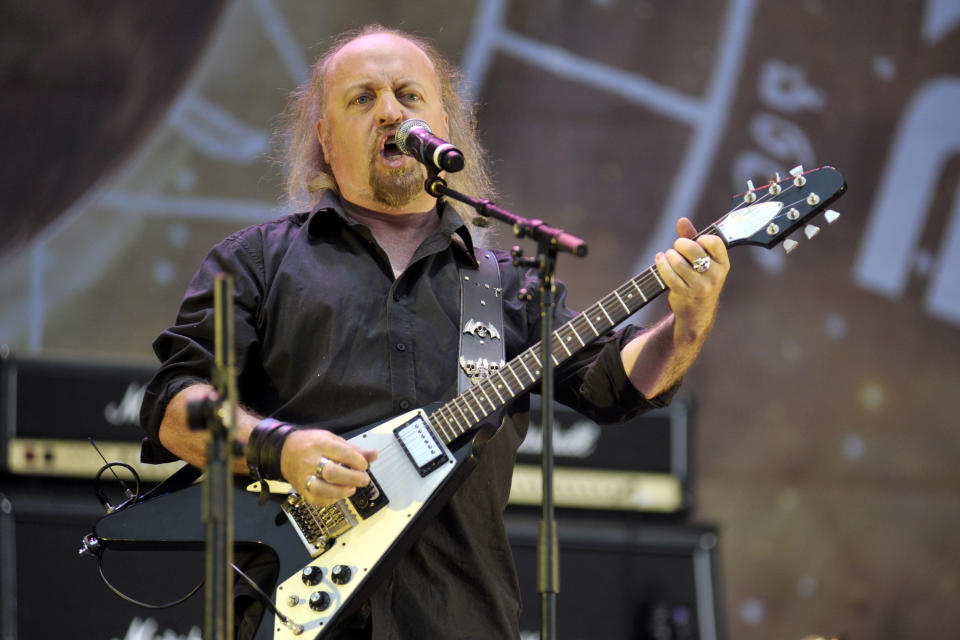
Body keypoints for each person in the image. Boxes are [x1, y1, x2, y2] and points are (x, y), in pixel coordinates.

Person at [139, 24, 729, 640]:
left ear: (443, 126)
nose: (391, 111)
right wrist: (278, 447)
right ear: (324, 136)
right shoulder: (256, 263)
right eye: (362, 99)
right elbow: (174, 405)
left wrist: (688, 324)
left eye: (409, 95)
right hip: (284, 615)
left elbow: (613, 386)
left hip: (460, 617)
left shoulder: (508, 283)